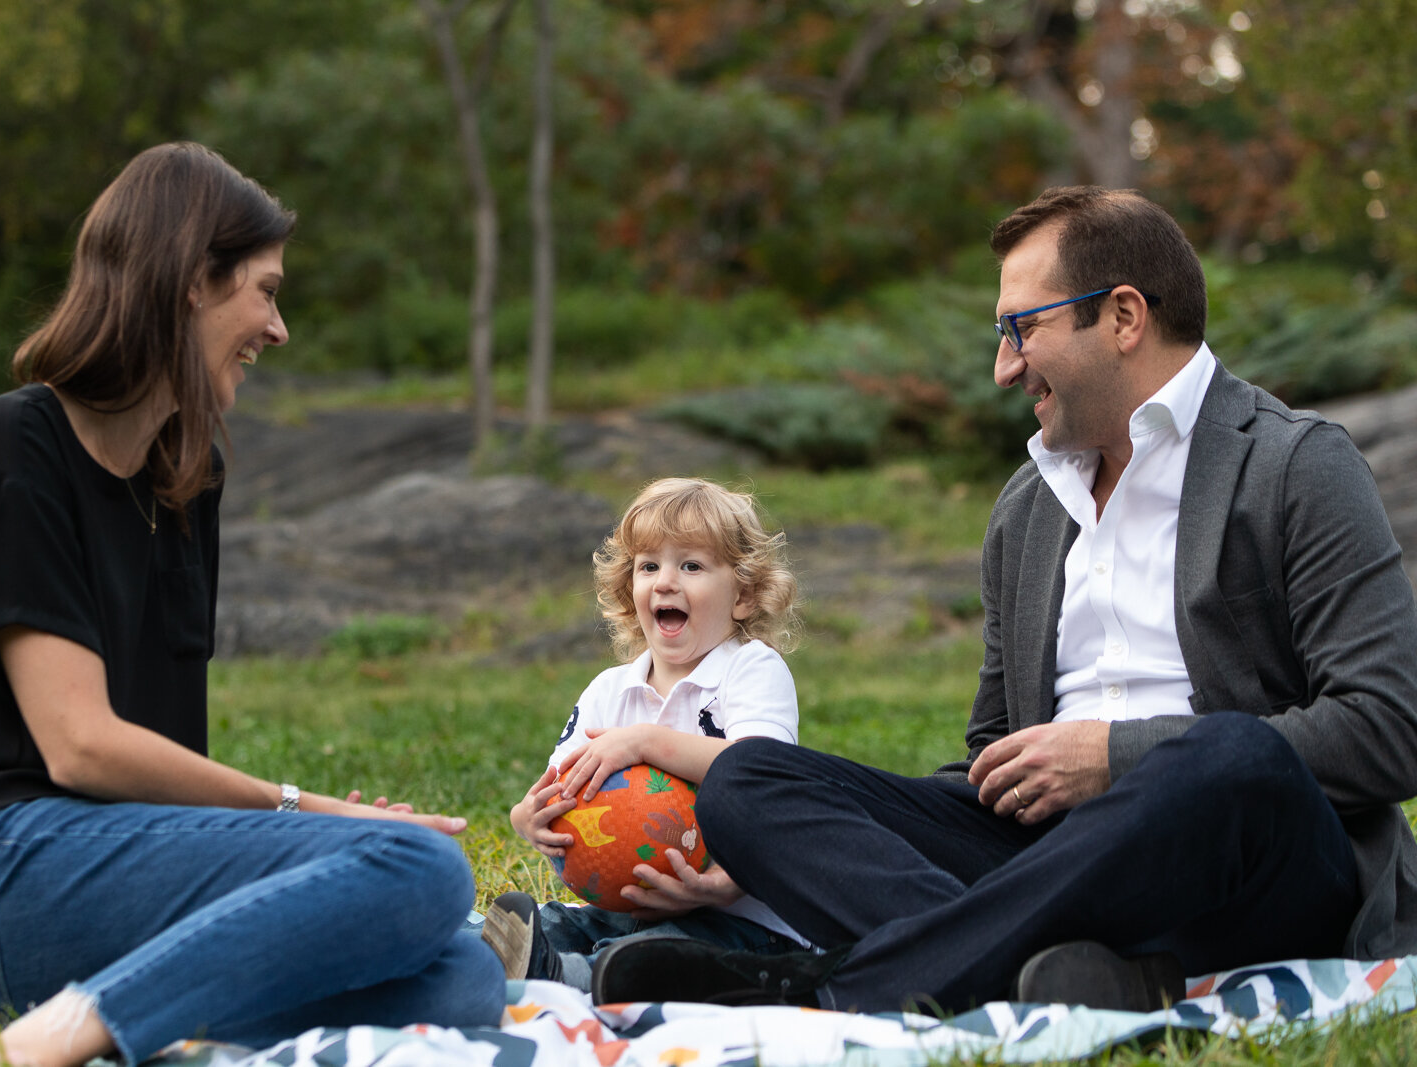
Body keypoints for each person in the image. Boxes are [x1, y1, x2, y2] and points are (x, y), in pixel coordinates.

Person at [587, 186, 1417, 1014]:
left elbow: (1389, 726)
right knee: (749, 780)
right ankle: (1073, 967)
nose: (1004, 365)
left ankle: (831, 985)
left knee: (1231, 757)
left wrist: (1114, 758)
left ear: (1124, 317)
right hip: (1049, 857)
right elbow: (992, 753)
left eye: (1022, 328)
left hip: (1251, 866)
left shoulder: (1295, 463)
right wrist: (861, 829)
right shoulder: (1028, 507)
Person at [0, 142, 504, 1067]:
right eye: (266, 290)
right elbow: (81, 745)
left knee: (461, 978)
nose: (278, 329)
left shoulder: (184, 477)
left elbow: (159, 764)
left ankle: (47, 1019)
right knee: (422, 868)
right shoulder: (15, 443)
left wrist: (293, 852)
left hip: (105, 883)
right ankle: (42, 1040)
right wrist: (311, 813)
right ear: (189, 282)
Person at [481, 477, 808, 992]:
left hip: (743, 915)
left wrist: (642, 742)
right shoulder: (611, 689)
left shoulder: (751, 669)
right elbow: (558, 783)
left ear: (743, 595)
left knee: (653, 955)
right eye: (649, 566)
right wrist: (530, 819)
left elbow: (760, 769)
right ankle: (482, 957)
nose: (665, 582)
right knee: (560, 922)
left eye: (692, 566)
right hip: (626, 902)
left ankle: (566, 978)